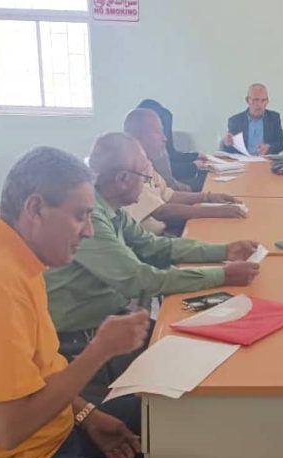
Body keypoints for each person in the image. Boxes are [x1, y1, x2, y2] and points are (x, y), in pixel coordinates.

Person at [0, 147, 150, 458]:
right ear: (35, 208)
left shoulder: (13, 257)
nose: (88, 230)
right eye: (80, 216)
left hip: (52, 433)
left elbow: (37, 374)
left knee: (171, 413)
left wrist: (88, 416)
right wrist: (100, 350)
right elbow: (8, 430)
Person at [45, 133, 260, 372]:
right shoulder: (90, 217)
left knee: (203, 341)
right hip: (80, 339)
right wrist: (223, 275)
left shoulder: (111, 208)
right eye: (144, 177)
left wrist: (224, 250)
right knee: (194, 360)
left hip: (110, 319)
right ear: (123, 179)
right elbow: (139, 279)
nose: (147, 183)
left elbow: (155, 246)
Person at [124, 109, 245, 235]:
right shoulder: (128, 168)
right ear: (138, 135)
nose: (164, 138)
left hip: (163, 230)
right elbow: (161, 211)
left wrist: (208, 197)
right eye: (158, 132)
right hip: (154, 239)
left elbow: (169, 195)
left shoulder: (146, 163)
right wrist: (217, 211)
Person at [136, 99, 204, 190]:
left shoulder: (155, 151)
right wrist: (193, 166)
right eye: (158, 131)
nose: (165, 138)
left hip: (173, 188)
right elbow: (170, 184)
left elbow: (172, 154)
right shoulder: (139, 162)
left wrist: (195, 156)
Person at [221, 83, 283, 156]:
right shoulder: (235, 121)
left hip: (265, 160)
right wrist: (227, 142)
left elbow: (281, 144)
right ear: (247, 100)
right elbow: (230, 149)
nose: (259, 104)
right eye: (255, 100)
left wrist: (269, 148)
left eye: (263, 100)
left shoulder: (273, 118)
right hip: (243, 161)